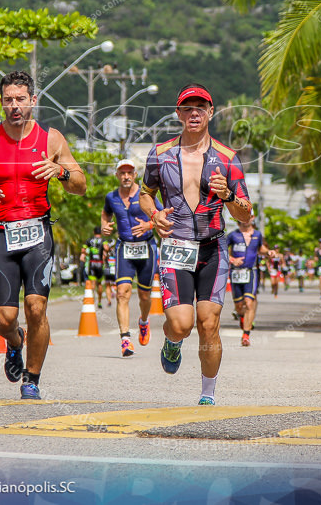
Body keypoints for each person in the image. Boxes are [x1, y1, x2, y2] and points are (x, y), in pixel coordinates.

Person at [0, 70, 86, 400]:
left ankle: (32, 378)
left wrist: (61, 171)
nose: (14, 106)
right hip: (2, 234)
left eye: (20, 99)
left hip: (38, 234)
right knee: (3, 318)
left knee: (36, 307)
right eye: (8, 100)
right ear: (1, 102)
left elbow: (81, 186)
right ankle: (15, 342)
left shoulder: (51, 139)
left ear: (33, 101)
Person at [140, 83, 252, 406]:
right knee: (181, 324)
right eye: (187, 108)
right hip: (176, 246)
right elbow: (145, 194)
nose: (194, 113)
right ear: (178, 113)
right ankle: (172, 342)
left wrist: (227, 195)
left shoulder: (228, 159)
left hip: (212, 247)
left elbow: (246, 211)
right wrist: (154, 213)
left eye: (200, 107)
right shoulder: (160, 155)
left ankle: (207, 394)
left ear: (210, 113)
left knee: (209, 323)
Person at [102, 159, 162, 357]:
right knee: (122, 292)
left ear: (135, 174)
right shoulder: (111, 197)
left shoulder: (145, 195)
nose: (126, 176)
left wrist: (149, 225)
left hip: (146, 247)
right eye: (122, 173)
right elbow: (106, 215)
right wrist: (105, 225)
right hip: (124, 248)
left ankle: (144, 321)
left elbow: (161, 214)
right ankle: (125, 339)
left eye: (129, 172)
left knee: (145, 296)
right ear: (117, 175)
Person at [227, 215, 265, 347]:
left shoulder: (257, 235)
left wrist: (269, 252)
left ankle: (246, 335)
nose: (246, 219)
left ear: (253, 217)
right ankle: (243, 318)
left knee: (249, 302)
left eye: (248, 216)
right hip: (236, 273)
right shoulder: (233, 235)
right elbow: (222, 251)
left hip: (251, 272)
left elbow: (261, 249)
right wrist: (232, 260)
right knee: (239, 306)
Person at [80, 228, 108, 308]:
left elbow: (83, 250)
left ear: (94, 232)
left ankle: (91, 300)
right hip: (100, 263)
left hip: (92, 263)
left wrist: (88, 253)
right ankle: (99, 302)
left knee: (92, 283)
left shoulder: (89, 240)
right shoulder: (103, 240)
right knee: (99, 284)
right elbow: (106, 248)